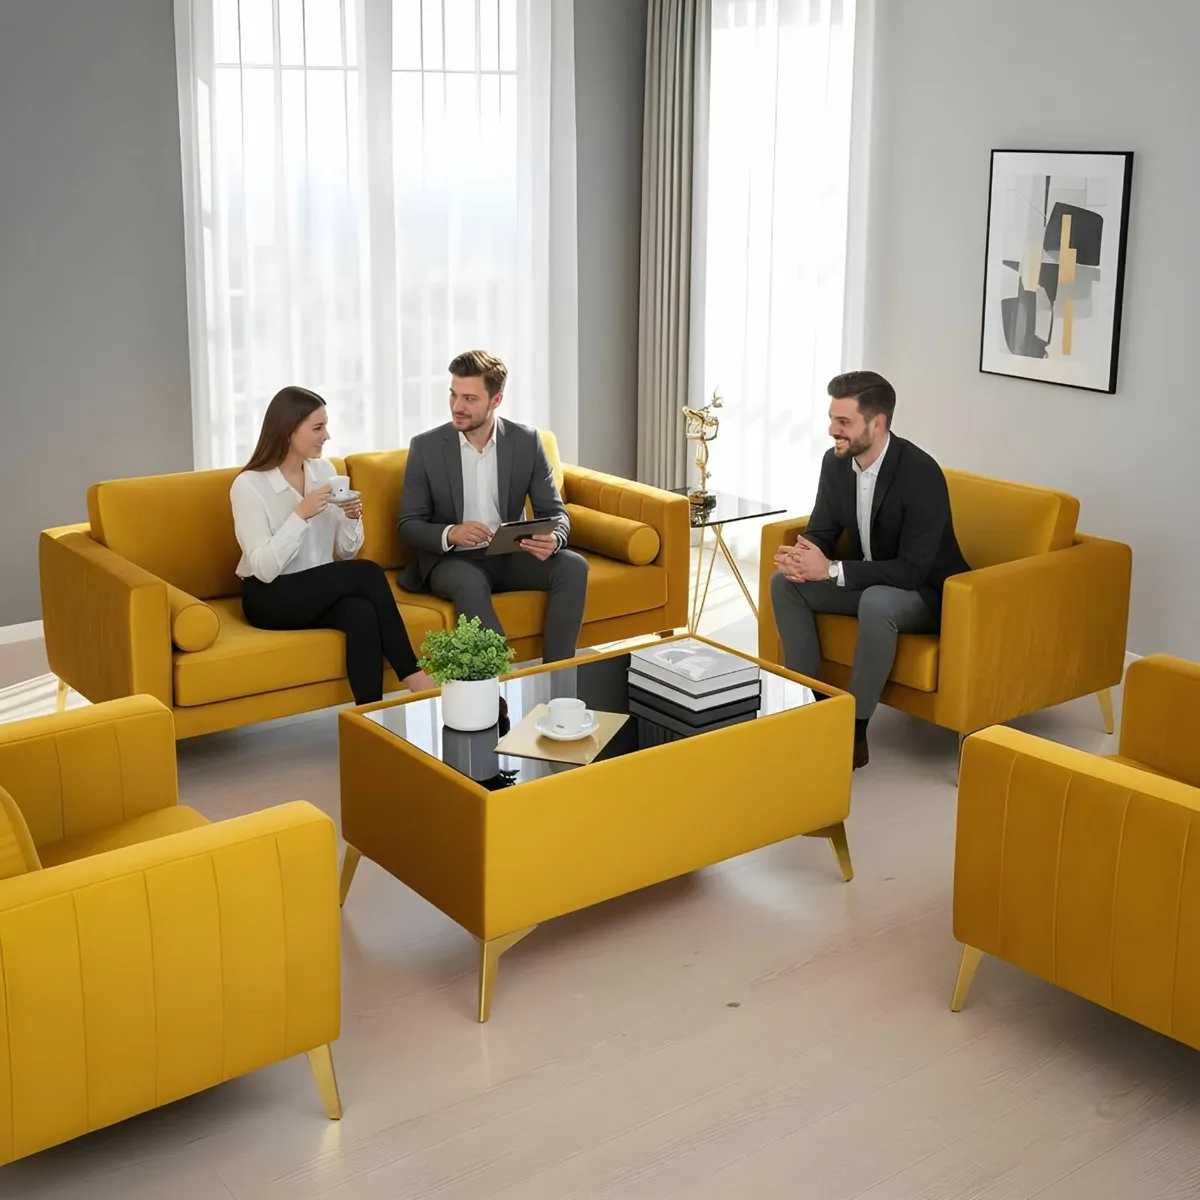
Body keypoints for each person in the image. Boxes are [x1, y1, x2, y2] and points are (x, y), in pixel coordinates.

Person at [770, 371, 968, 769]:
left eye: (844, 422)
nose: (833, 430)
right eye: (832, 419)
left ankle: (854, 731)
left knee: (877, 602)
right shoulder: (835, 463)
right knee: (784, 585)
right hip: (870, 580)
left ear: (877, 423)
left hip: (927, 594)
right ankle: (812, 710)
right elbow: (823, 530)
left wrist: (831, 570)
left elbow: (912, 570)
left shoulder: (920, 473)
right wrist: (804, 556)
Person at [231, 385, 435, 704]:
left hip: (318, 592)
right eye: (317, 428)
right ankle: (414, 675)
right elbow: (263, 569)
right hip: (270, 596)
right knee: (368, 573)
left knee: (361, 613)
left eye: (325, 426)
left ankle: (369, 717)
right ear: (289, 430)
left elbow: (346, 551)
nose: (326, 436)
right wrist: (300, 515)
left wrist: (352, 518)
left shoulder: (325, 472)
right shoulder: (249, 485)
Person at [397, 350, 589, 663]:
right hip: (452, 561)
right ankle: (498, 682)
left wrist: (554, 538)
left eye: (469, 399)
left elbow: (555, 512)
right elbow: (408, 524)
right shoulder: (426, 447)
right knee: (469, 583)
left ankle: (558, 676)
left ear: (496, 400)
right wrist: (451, 533)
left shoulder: (526, 442)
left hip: (508, 554)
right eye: (453, 395)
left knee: (573, 566)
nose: (457, 407)